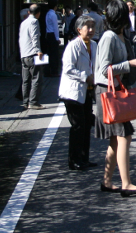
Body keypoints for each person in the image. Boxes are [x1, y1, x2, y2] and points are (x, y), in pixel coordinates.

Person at [94, 0, 136, 197]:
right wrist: (129, 63)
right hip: (109, 92)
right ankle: (126, 184)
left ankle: (107, 181)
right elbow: (104, 69)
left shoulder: (119, 35)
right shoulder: (109, 37)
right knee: (124, 136)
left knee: (116, 140)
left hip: (113, 90)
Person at [59, 14, 97, 171]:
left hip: (87, 91)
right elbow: (68, 69)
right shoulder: (73, 46)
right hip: (73, 92)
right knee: (78, 125)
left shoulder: (94, 44)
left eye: (92, 27)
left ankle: (84, 158)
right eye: (87, 27)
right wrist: (85, 77)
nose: (91, 30)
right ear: (78, 29)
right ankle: (74, 160)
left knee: (87, 124)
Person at [19, 3, 45, 110]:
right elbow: (35, 37)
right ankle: (33, 102)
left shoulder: (24, 22)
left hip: (24, 54)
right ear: (38, 13)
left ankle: (25, 102)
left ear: (29, 12)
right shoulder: (34, 21)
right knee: (36, 78)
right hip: (32, 53)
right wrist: (38, 50)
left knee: (25, 80)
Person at [44, 0, 61, 77]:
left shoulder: (47, 13)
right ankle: (54, 71)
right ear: (55, 7)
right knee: (54, 54)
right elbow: (55, 27)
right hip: (53, 34)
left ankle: (47, 70)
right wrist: (57, 38)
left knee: (49, 53)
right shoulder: (53, 14)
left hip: (48, 34)